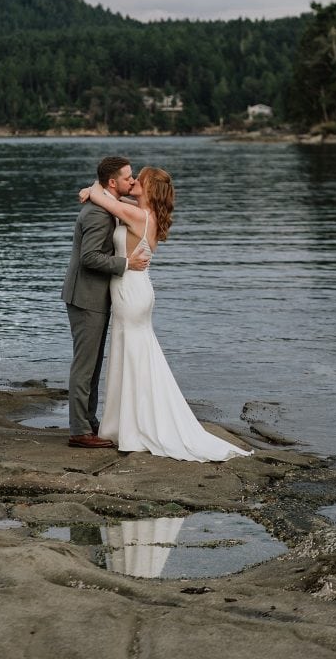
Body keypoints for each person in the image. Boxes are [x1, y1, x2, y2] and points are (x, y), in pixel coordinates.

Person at [81, 167, 254, 462]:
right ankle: (128, 423)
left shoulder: (138, 215)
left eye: (140, 179)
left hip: (131, 292)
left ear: (149, 188)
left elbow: (103, 197)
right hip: (135, 290)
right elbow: (108, 199)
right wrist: (94, 192)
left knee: (132, 356)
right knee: (133, 355)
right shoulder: (144, 213)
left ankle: (132, 427)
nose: (134, 181)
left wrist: (88, 190)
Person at [61, 156, 150, 448]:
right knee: (85, 366)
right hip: (86, 297)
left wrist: (91, 189)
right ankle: (79, 430)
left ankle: (89, 423)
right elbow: (89, 258)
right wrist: (126, 263)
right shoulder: (99, 215)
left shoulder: (104, 204)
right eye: (128, 178)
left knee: (93, 364)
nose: (132, 181)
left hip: (93, 297)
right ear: (112, 182)